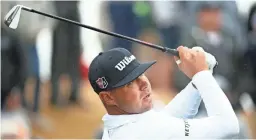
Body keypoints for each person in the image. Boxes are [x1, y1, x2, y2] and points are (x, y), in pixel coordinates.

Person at [88, 46, 239, 139]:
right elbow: (228, 126)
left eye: (140, 74)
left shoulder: (121, 124)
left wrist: (199, 78)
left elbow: (164, 118)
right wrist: (201, 74)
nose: (144, 84)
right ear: (107, 97)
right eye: (129, 83)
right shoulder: (144, 133)